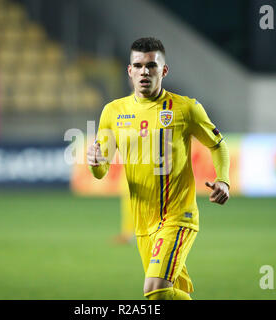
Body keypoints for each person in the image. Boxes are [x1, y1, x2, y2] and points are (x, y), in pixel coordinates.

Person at [87, 37, 230, 300]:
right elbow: (101, 170)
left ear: (163, 70)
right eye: (138, 65)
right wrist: (95, 163)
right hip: (143, 224)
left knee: (155, 290)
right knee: (170, 294)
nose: (144, 71)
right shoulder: (113, 111)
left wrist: (224, 180)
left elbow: (218, 144)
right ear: (129, 71)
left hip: (178, 216)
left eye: (151, 66)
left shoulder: (187, 108)